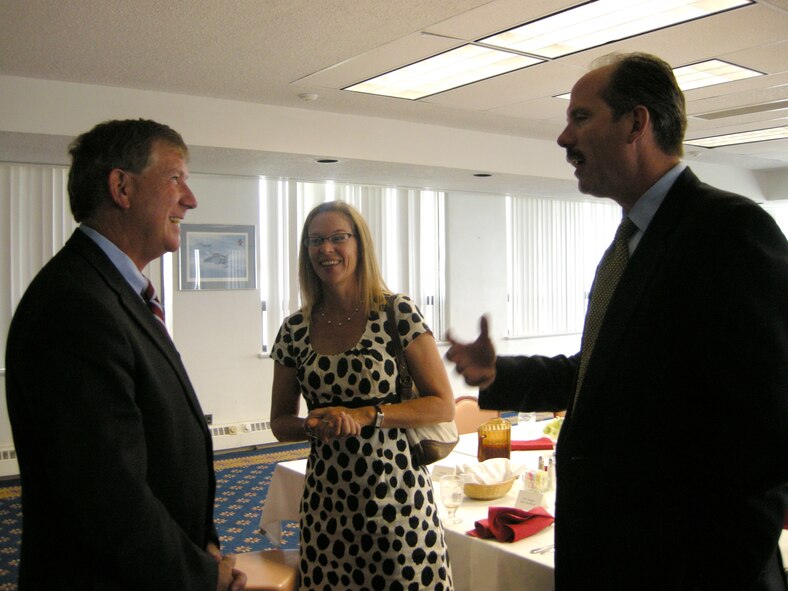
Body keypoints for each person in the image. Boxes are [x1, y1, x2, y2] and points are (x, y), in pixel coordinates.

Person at [446, 53, 788, 591]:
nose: (564, 138)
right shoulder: (633, 240)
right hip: (615, 558)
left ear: (636, 123)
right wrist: (498, 374)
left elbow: (766, 435)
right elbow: (602, 375)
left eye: (581, 118)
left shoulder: (729, 231)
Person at [5, 119, 246, 590]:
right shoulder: (75, 305)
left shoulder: (111, 290)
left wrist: (201, 543)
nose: (191, 199)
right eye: (175, 178)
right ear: (121, 188)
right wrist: (201, 576)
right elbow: (105, 493)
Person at [269, 200, 455, 591]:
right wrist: (313, 426)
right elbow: (280, 423)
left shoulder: (396, 312)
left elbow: (442, 404)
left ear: (360, 244)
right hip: (327, 506)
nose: (326, 249)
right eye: (315, 240)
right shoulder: (293, 330)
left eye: (338, 237)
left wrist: (370, 415)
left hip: (398, 500)